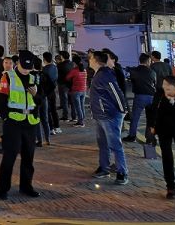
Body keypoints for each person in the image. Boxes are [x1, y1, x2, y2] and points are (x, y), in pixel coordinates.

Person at [0, 50, 43, 200]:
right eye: (24, 67)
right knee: (9, 156)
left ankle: (26, 186)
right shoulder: (8, 76)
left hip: (30, 122)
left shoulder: (34, 78)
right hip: (13, 122)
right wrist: (5, 118)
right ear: (18, 63)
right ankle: (3, 189)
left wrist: (36, 95)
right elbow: (1, 99)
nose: (26, 70)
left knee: (28, 157)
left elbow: (40, 101)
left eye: (29, 68)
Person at [89, 50, 129, 185]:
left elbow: (116, 93)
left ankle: (122, 172)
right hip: (101, 115)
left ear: (96, 61)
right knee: (103, 144)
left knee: (115, 144)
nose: (89, 60)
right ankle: (104, 167)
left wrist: (123, 110)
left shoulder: (105, 74)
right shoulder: (99, 74)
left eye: (91, 58)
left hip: (109, 115)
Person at [124, 53, 156, 143]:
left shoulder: (134, 70)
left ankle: (132, 136)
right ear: (148, 61)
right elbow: (155, 83)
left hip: (140, 96)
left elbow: (127, 73)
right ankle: (150, 138)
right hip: (151, 96)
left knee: (135, 118)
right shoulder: (152, 72)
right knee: (151, 119)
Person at [41, 52, 61, 135]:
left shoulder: (44, 69)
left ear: (44, 59)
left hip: (47, 92)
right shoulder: (54, 67)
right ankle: (57, 127)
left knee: (48, 111)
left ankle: (51, 128)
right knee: (53, 110)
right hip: (53, 91)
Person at [65, 54, 87, 127]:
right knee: (82, 106)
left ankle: (81, 122)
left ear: (74, 63)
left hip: (76, 91)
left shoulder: (74, 70)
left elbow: (67, 78)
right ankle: (82, 119)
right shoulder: (84, 69)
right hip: (83, 90)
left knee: (78, 107)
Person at [56, 51, 75, 121]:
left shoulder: (60, 65)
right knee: (72, 101)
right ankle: (74, 117)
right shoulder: (72, 64)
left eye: (60, 55)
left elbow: (57, 75)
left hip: (63, 85)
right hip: (71, 84)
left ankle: (65, 116)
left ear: (62, 56)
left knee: (65, 101)